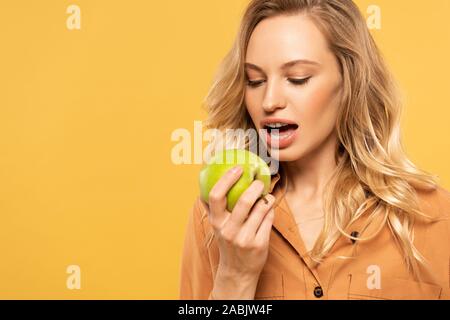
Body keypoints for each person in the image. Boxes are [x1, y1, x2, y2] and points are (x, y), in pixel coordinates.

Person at [180, 0, 450, 300]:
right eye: (254, 81)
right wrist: (235, 277)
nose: (269, 101)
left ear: (350, 81)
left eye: (298, 79)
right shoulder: (218, 216)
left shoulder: (435, 218)